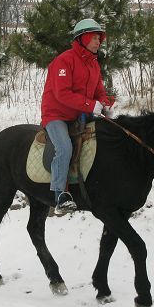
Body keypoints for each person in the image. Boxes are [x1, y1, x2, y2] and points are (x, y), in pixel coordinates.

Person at [41, 18, 113, 213]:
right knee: (64, 147)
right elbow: (61, 93)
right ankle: (60, 195)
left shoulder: (93, 64)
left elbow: (99, 92)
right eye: (94, 37)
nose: (98, 42)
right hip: (57, 115)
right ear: (82, 38)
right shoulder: (64, 61)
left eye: (100, 38)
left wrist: (105, 104)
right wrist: (91, 105)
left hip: (80, 113)